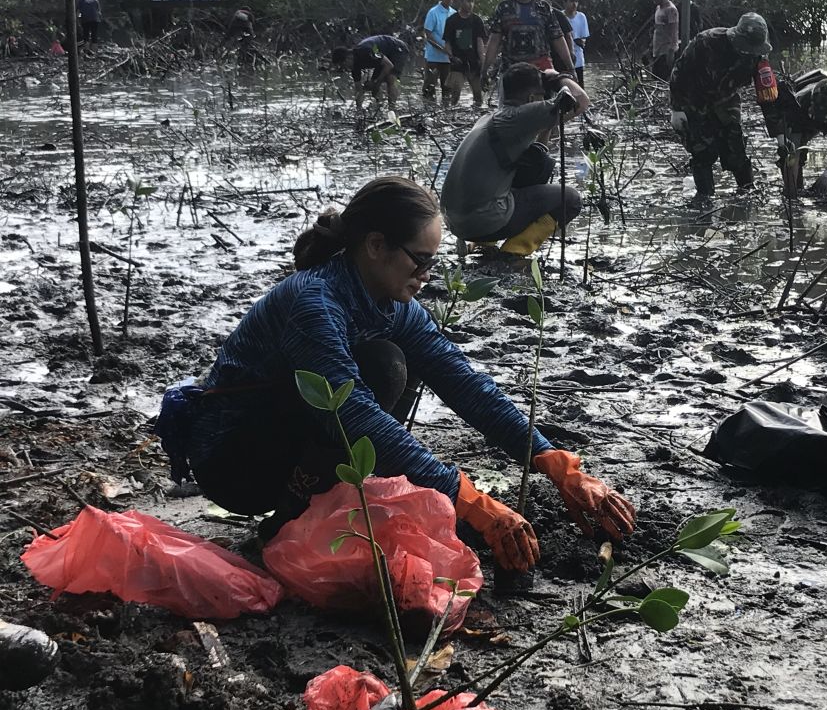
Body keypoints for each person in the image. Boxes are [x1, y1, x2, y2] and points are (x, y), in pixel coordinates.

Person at [172, 176, 634, 571]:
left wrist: (552, 461)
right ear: (376, 246)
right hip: (235, 461)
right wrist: (469, 500)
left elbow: (462, 381)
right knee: (384, 368)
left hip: (287, 433)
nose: (428, 274)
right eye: (421, 259)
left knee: (401, 360)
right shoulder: (313, 302)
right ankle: (289, 520)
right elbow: (354, 415)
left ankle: (309, 507)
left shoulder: (392, 304)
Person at [441, 64, 588, 255]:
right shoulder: (520, 116)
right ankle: (514, 253)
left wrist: (548, 121)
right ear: (532, 99)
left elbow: (537, 155)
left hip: (456, 223)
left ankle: (484, 246)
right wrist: (557, 77)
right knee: (571, 198)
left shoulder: (492, 119)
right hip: (482, 222)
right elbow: (581, 101)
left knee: (534, 165)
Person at [669, 12, 778, 207]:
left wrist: (779, 135)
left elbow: (767, 97)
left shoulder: (759, 57)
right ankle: (704, 199)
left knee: (735, 151)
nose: (748, 52)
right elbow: (679, 72)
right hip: (695, 100)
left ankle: (747, 194)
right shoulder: (706, 42)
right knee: (703, 153)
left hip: (727, 101)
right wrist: (676, 109)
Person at [483, 0, 573, 86]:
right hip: (512, 71)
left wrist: (571, 67)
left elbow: (558, 38)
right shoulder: (504, 7)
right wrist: (484, 70)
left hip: (543, 71)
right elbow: (494, 41)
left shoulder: (543, 7)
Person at [331, 35, 410, 111]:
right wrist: (359, 109)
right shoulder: (354, 67)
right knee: (373, 86)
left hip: (397, 49)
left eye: (343, 65)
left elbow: (388, 65)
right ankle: (380, 108)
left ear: (348, 57)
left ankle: (392, 109)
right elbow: (359, 90)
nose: (344, 68)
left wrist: (376, 83)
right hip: (382, 57)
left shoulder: (367, 51)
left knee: (391, 78)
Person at [444, 0, 487, 108]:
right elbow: (447, 44)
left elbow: (480, 45)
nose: (471, 4)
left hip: (474, 63)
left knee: (479, 97)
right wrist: (451, 57)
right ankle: (449, 115)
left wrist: (484, 67)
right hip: (458, 63)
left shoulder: (477, 21)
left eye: (473, 1)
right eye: (468, 1)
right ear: (460, 1)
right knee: (455, 95)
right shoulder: (451, 21)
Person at [422, 0, 456, 106]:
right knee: (429, 88)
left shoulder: (454, 14)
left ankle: (445, 114)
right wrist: (442, 49)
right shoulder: (433, 12)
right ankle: (426, 112)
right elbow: (428, 35)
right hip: (433, 58)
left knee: (447, 89)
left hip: (447, 59)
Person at [648, 0, 679, 81]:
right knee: (655, 79)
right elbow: (658, 30)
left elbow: (673, 32)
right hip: (657, 51)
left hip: (665, 52)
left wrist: (671, 52)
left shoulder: (671, 10)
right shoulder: (658, 8)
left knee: (663, 80)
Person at [563, 0, 589, 87]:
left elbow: (583, 40)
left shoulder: (581, 17)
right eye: (571, 1)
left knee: (580, 86)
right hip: (563, 59)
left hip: (578, 59)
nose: (574, 4)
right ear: (564, 2)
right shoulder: (560, 16)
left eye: (576, 1)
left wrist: (574, 40)